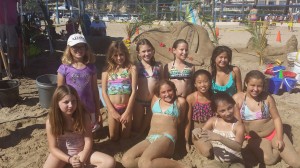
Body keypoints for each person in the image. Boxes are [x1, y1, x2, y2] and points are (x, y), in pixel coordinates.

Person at [233, 70, 300, 167]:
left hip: (274, 133)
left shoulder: (267, 98)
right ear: (246, 84)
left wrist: (280, 139)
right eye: (252, 85)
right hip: (255, 138)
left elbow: (276, 118)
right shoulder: (238, 99)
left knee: (295, 163)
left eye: (259, 86)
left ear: (263, 86)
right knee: (270, 160)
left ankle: (287, 150)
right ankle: (283, 151)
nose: (255, 89)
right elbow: (236, 121)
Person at [43, 85, 116, 168]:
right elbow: (53, 148)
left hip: (81, 152)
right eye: (66, 102)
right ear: (57, 103)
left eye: (74, 101)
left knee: (110, 162)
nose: (71, 105)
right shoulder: (51, 122)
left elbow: (88, 141)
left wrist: (82, 160)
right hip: (62, 154)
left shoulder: (83, 116)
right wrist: (69, 159)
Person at [121, 80, 187, 168]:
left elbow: (182, 121)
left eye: (170, 90)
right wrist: (141, 132)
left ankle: (180, 165)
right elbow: (149, 116)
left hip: (167, 137)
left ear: (174, 90)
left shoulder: (180, 101)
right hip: (151, 137)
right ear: (159, 94)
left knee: (145, 163)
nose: (167, 94)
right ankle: (158, 162)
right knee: (127, 160)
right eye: (163, 92)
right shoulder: (156, 99)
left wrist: (185, 141)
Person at [57, 34, 102, 132]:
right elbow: (59, 92)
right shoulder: (64, 68)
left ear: (86, 48)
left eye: (82, 46)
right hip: (72, 109)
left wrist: (98, 109)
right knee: (75, 132)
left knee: (89, 131)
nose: (79, 49)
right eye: (75, 47)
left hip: (89, 107)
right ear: (69, 49)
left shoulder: (91, 68)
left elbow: (95, 90)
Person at [193, 92, 245, 167]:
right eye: (222, 111)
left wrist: (220, 138)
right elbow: (200, 134)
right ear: (216, 112)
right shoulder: (214, 121)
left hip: (235, 161)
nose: (227, 113)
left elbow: (238, 147)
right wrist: (196, 132)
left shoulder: (238, 126)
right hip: (217, 161)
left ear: (234, 105)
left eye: (229, 108)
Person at [101, 41, 137, 141]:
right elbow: (104, 92)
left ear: (125, 54)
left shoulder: (131, 68)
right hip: (113, 108)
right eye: (115, 55)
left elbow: (134, 91)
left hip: (126, 108)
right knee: (113, 137)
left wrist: (128, 112)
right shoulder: (107, 70)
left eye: (121, 54)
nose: (119, 58)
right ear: (111, 56)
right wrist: (112, 111)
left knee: (125, 137)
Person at [132, 38, 164, 134]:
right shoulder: (136, 67)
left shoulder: (158, 66)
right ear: (138, 53)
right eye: (143, 51)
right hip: (139, 101)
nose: (147, 53)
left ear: (153, 51)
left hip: (153, 101)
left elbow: (163, 83)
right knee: (137, 128)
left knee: (149, 128)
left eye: (149, 50)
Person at [186, 69, 215, 152]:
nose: (203, 85)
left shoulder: (214, 97)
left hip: (213, 130)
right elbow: (188, 121)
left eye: (206, 81)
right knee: (208, 151)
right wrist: (186, 141)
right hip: (197, 131)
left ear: (210, 82)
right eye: (199, 82)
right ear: (195, 84)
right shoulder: (191, 98)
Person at [0, 0, 19, 76]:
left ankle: (11, 64)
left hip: (11, 22)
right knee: (1, 46)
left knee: (13, 44)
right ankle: (2, 67)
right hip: (0, 22)